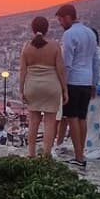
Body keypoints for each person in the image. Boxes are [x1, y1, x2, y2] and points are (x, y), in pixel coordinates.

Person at [56, 5, 100, 168]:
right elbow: (95, 60)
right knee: (82, 117)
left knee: (71, 117)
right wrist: (94, 82)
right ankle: (81, 153)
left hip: (73, 80)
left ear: (68, 17)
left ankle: (79, 157)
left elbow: (67, 63)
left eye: (60, 19)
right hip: (87, 81)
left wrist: (63, 85)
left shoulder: (69, 34)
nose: (60, 23)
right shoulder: (90, 33)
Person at [19, 15, 68, 158]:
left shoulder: (26, 47)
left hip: (32, 86)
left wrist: (21, 90)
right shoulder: (55, 46)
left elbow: (23, 71)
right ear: (47, 29)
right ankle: (46, 154)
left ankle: (31, 153)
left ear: (32, 29)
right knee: (50, 122)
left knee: (33, 121)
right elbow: (61, 70)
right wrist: (65, 90)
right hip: (51, 86)